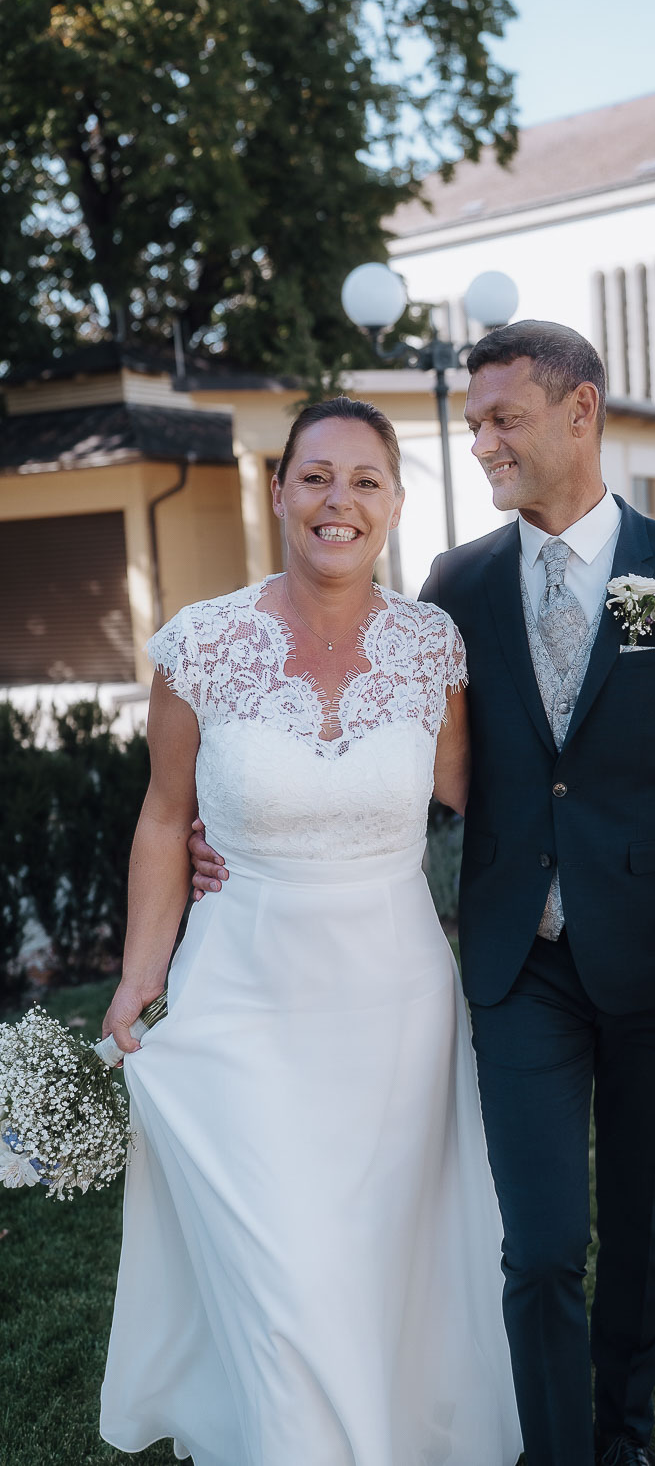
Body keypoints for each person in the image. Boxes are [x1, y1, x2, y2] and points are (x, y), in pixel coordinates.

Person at [192, 322, 655, 1466]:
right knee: (539, 1244)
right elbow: (402, 760)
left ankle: (622, 1436)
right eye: (473, 422)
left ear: (581, 412)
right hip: (517, 965)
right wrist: (236, 825)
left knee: (640, 1226)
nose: (479, 443)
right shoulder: (455, 586)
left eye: (502, 419)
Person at [99, 396, 521, 1466]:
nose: (341, 500)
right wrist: (139, 975)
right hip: (244, 993)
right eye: (318, 476)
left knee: (373, 1261)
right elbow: (164, 817)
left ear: (396, 503)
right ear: (280, 489)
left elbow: (479, 794)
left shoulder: (432, 647)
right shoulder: (201, 645)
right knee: (280, 1267)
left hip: (395, 1007)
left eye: (365, 480)